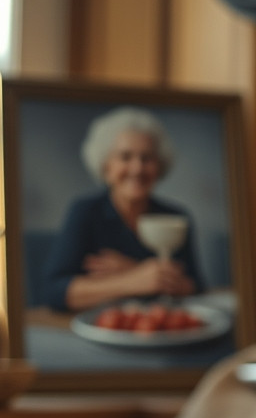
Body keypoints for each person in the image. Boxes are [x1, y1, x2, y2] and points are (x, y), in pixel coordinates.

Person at [41, 106, 204, 313]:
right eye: (125, 157)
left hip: (162, 326)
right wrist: (134, 279)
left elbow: (195, 286)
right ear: (106, 166)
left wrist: (133, 269)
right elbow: (54, 292)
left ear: (159, 166)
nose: (137, 168)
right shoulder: (85, 212)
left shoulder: (176, 217)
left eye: (147, 158)